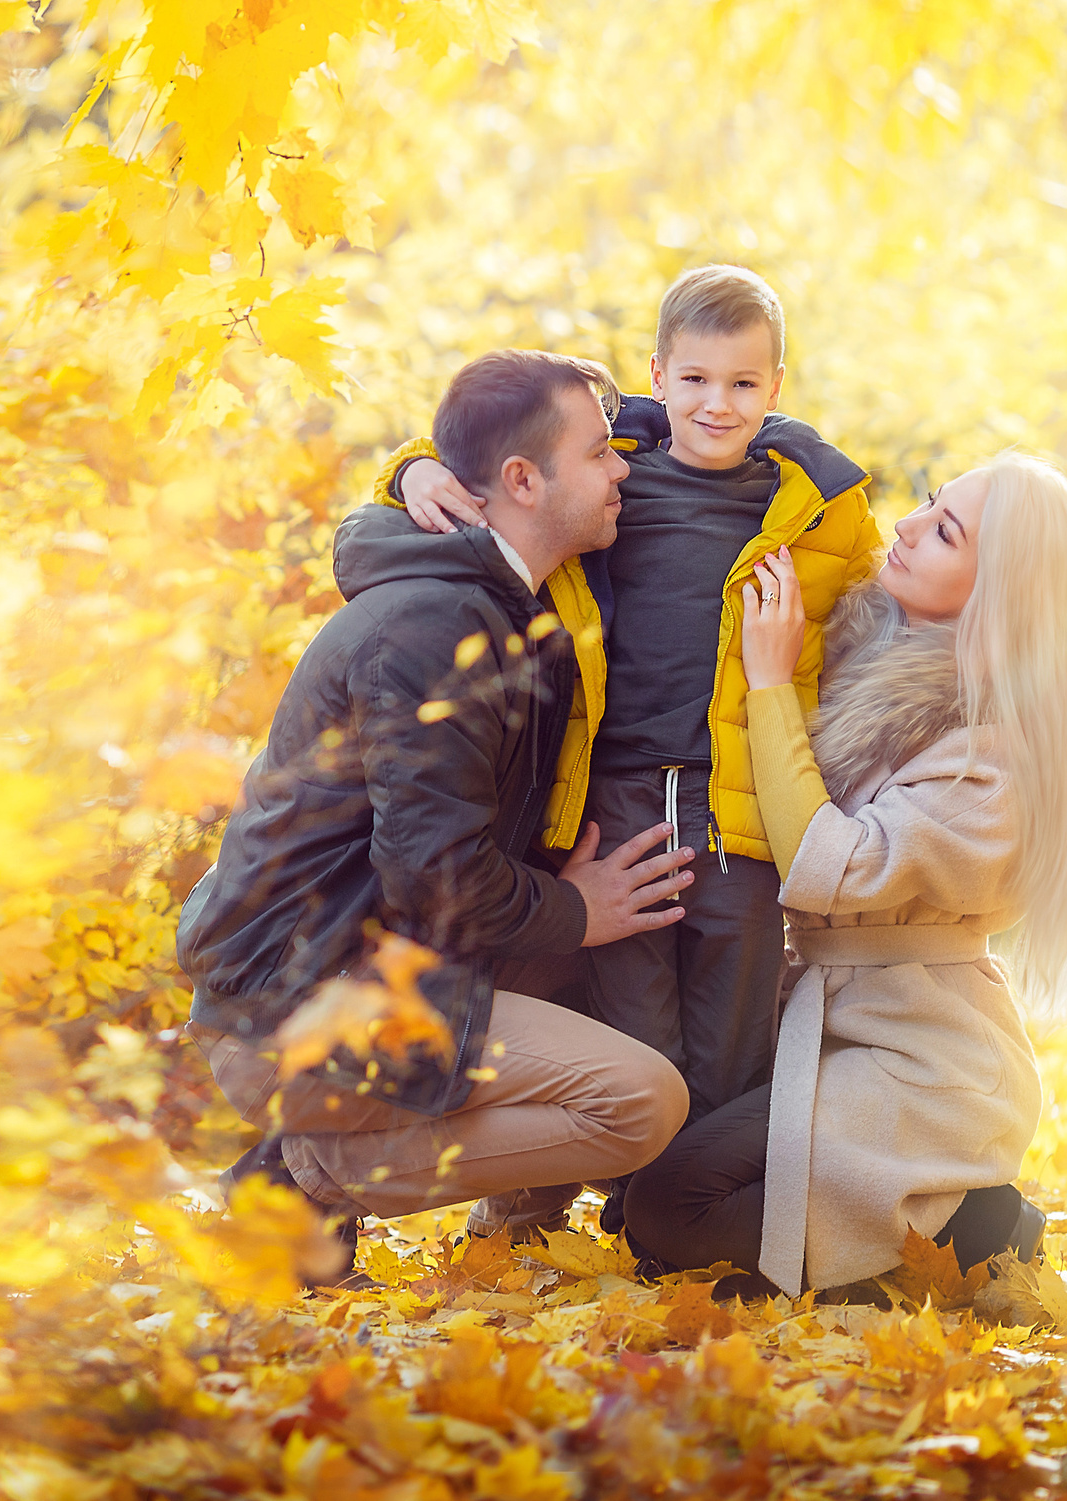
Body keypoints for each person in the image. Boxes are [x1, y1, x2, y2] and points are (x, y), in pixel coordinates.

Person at [182, 350, 700, 1283]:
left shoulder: (501, 603)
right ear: (521, 481)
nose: (623, 467)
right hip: (296, 1009)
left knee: (604, 994)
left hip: (372, 973)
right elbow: (437, 875)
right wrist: (577, 910)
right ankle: (301, 1177)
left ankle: (494, 1224)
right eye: (598, 454)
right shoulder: (436, 629)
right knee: (640, 1103)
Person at [381, 267, 882, 1232]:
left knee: (732, 1033)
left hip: (740, 806)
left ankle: (693, 1216)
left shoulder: (817, 505)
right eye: (692, 380)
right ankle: (611, 1196)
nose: (715, 404)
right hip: (614, 794)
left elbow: (880, 613)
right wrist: (413, 471)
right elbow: (494, 449)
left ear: (777, 387)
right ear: (657, 374)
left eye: (743, 384)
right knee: (631, 1014)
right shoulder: (615, 465)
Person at [619, 452, 1067, 1296]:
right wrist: (422, 475)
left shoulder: (997, 760)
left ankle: (976, 1233)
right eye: (932, 501)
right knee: (644, 1202)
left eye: (945, 531)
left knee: (668, 1211)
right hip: (822, 1019)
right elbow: (761, 431)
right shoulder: (872, 653)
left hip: (918, 1053)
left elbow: (823, 863)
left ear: (1000, 592)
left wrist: (769, 683)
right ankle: (915, 1231)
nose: (907, 526)